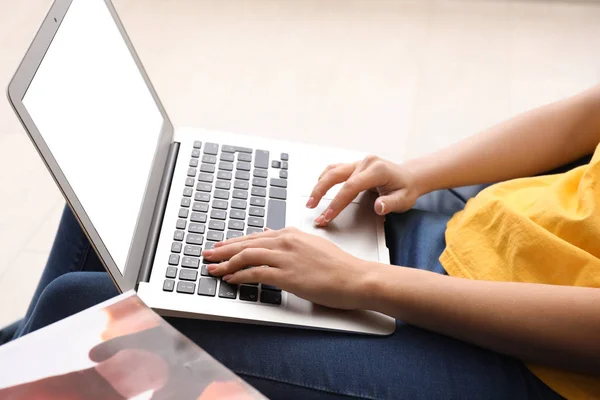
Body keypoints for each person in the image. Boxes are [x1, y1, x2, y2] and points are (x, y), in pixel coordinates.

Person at [2, 84, 600, 400]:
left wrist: (362, 280)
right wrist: (420, 173)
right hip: (466, 231)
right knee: (108, 210)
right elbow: (586, 117)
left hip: (528, 362)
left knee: (83, 308)